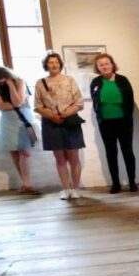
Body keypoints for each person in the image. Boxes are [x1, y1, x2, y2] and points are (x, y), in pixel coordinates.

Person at [34, 51, 85, 200]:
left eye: (56, 62)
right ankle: (66, 189)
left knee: (73, 157)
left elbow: (79, 102)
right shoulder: (40, 83)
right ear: (46, 65)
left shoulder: (69, 80)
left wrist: (64, 114)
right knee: (60, 158)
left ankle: (76, 188)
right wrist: (52, 116)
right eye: (50, 62)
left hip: (70, 121)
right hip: (51, 123)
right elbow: (37, 106)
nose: (54, 65)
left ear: (60, 64)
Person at [89, 53, 137, 194]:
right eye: (101, 65)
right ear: (98, 68)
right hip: (105, 123)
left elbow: (130, 101)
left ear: (112, 65)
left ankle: (132, 181)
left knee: (127, 151)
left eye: (107, 63)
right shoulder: (96, 82)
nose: (104, 66)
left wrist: (127, 117)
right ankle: (116, 183)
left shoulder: (123, 80)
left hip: (124, 122)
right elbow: (95, 102)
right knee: (111, 153)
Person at [0, 66, 39, 195]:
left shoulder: (20, 81)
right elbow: (1, 106)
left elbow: (17, 102)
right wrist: (17, 103)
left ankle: (27, 183)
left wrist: (11, 85)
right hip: (7, 121)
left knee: (24, 151)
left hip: (23, 120)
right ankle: (25, 183)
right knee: (14, 152)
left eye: (3, 80)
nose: (1, 83)